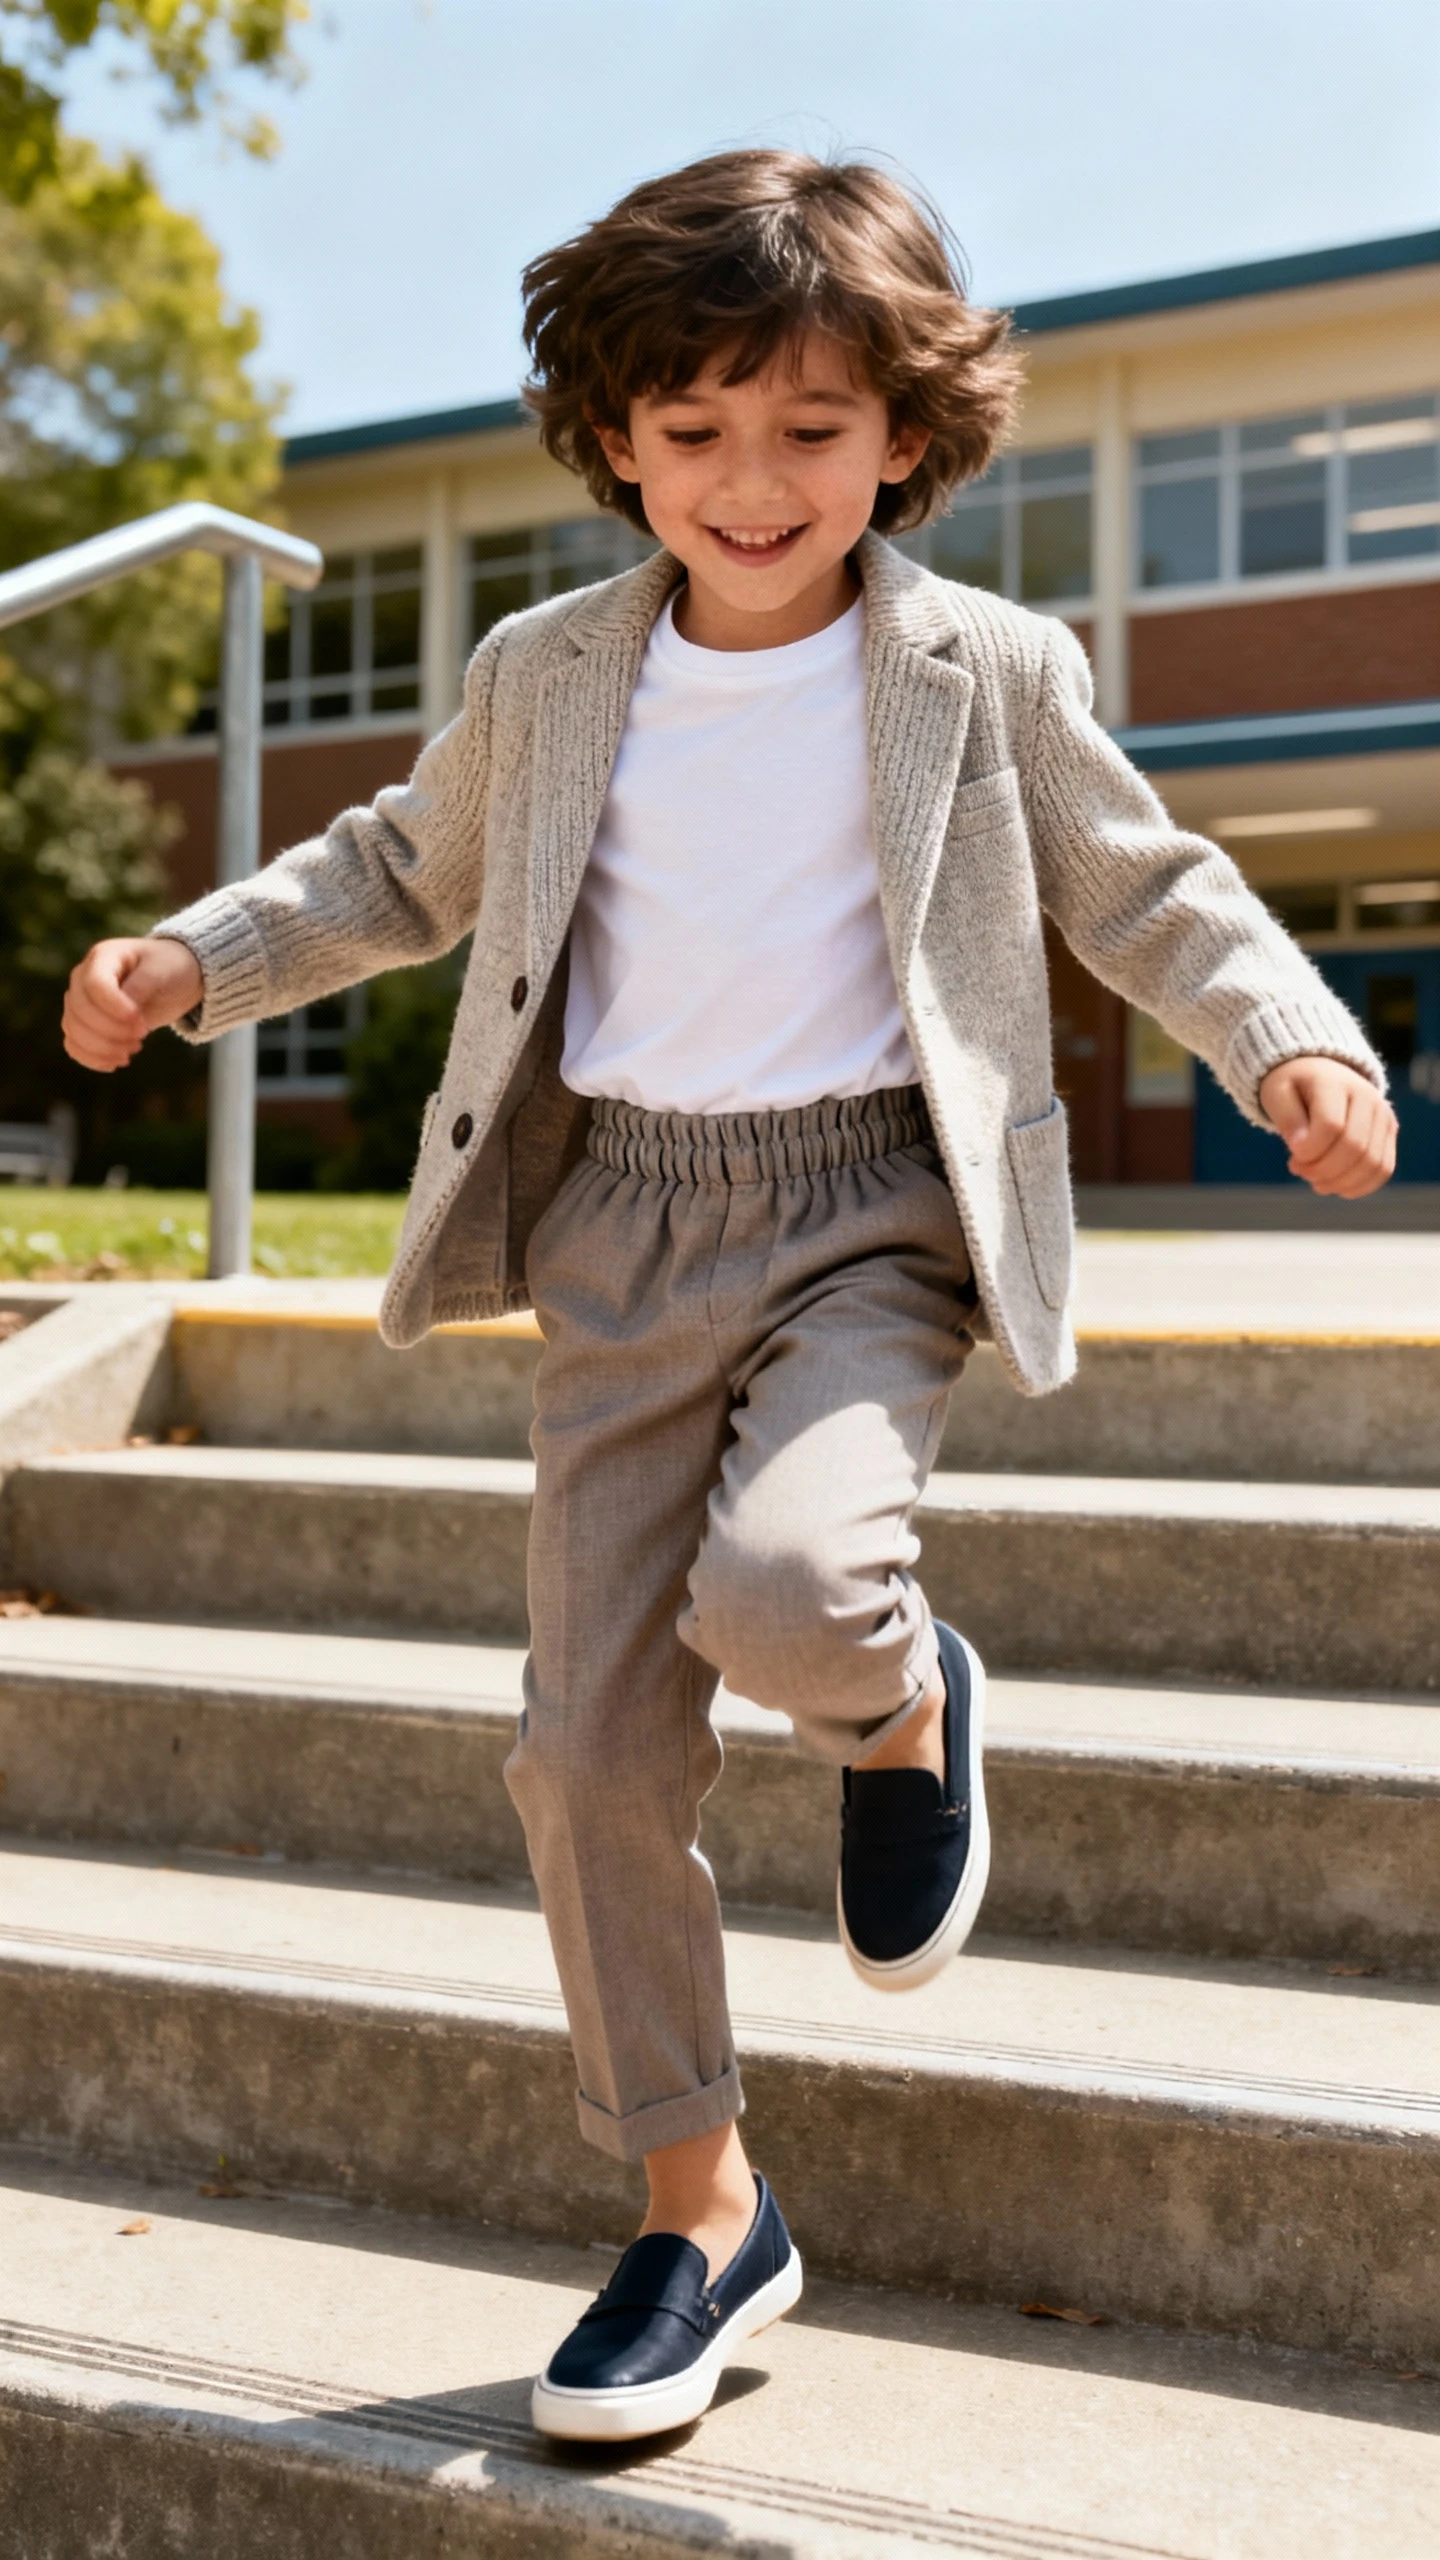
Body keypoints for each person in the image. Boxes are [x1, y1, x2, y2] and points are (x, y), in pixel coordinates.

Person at [62, 149, 1396, 2445]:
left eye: (808, 428)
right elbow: (400, 862)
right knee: (582, 1753)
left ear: (905, 432)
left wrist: (1294, 1030)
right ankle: (702, 2202)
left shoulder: (987, 669)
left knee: (791, 1587)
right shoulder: (550, 671)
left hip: (869, 1211)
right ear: (614, 444)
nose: (752, 483)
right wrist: (205, 958)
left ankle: (894, 1705)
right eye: (694, 434)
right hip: (620, 1235)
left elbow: (1149, 885)